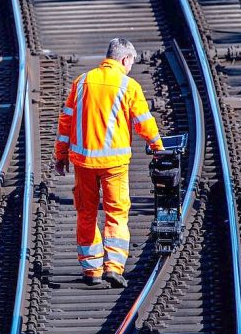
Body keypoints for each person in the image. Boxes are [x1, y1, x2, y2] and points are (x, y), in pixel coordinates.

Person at [54, 38, 163, 287]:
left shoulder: (82, 82)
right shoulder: (129, 85)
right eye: (131, 62)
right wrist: (158, 148)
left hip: (84, 163)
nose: (131, 67)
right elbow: (144, 122)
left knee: (86, 213)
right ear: (124, 59)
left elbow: (66, 121)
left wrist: (60, 155)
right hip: (114, 164)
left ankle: (92, 270)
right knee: (116, 213)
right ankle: (113, 267)